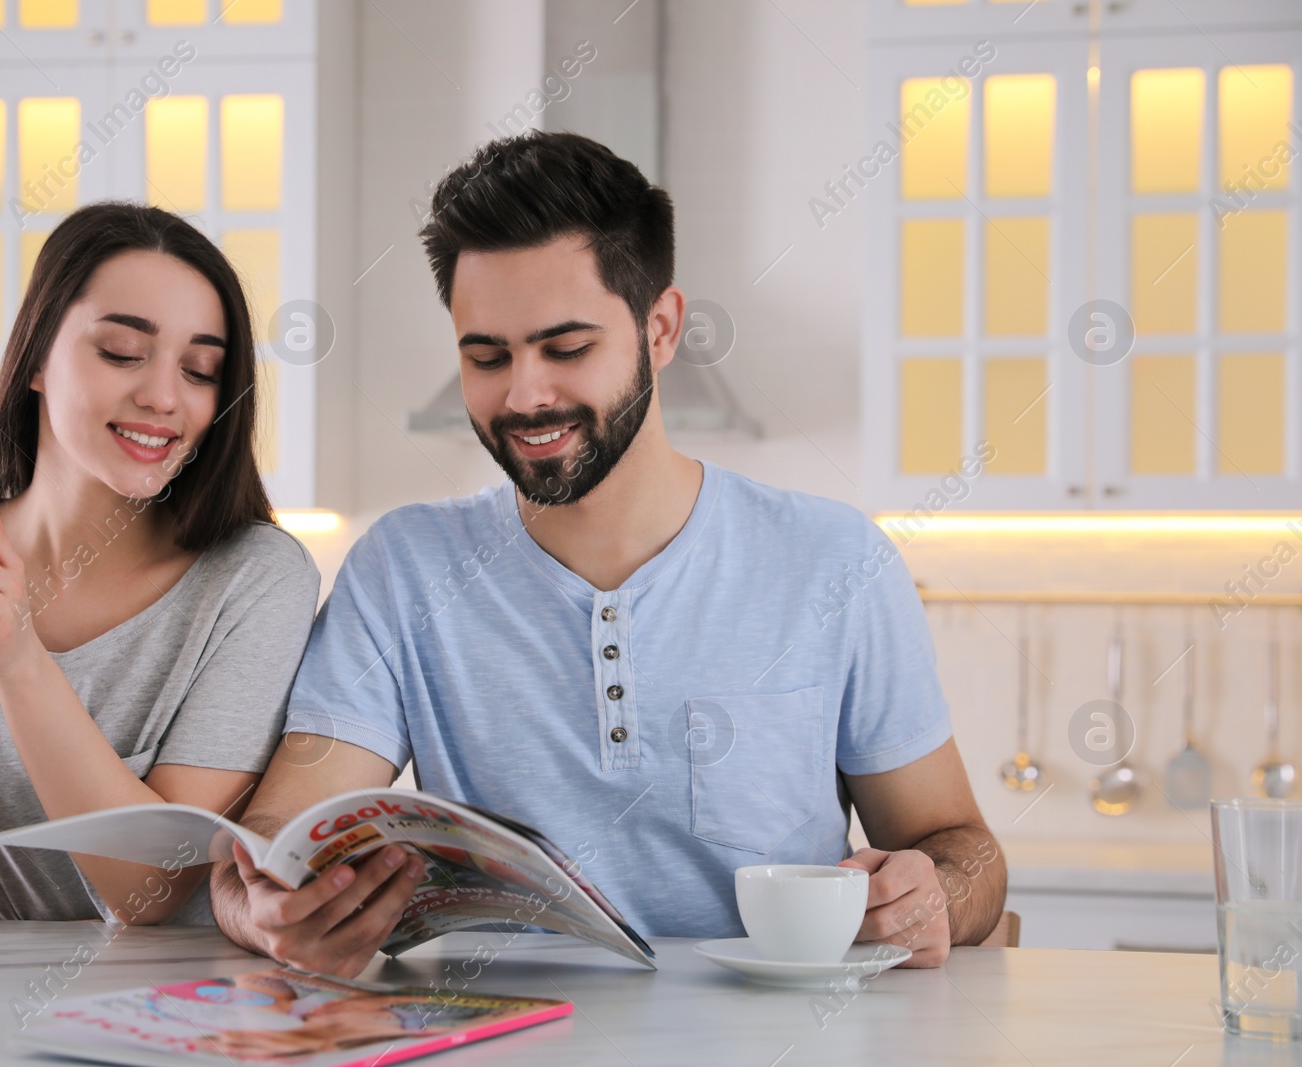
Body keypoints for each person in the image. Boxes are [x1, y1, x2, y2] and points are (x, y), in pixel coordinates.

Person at [209, 132, 1005, 974]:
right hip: (499, 1036)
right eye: (486, 356)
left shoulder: (835, 558)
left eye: (567, 348)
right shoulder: (401, 569)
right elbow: (276, 836)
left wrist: (934, 894)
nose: (524, 395)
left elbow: (969, 853)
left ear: (660, 329)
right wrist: (262, 909)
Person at [0, 202, 319, 925]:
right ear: (36, 360)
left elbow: (148, 888)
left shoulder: (255, 580)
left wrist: (19, 658)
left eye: (201, 369)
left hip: (179, 1020)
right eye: (121, 352)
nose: (164, 397)